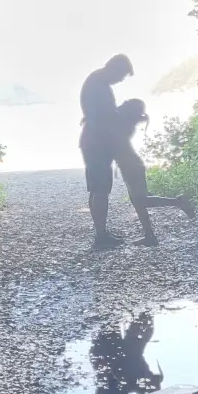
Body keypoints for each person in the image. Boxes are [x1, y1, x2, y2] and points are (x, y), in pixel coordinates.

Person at [111, 98, 194, 246]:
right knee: (138, 201)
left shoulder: (121, 122)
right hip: (130, 165)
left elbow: (111, 117)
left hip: (130, 166)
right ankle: (150, 235)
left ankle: (178, 202)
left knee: (140, 200)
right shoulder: (126, 122)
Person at [78, 54, 134, 250]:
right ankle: (100, 236)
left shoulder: (97, 82)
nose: (120, 80)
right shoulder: (98, 85)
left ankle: (101, 232)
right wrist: (122, 115)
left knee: (97, 188)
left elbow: (99, 114)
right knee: (101, 189)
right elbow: (101, 117)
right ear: (114, 68)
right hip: (96, 144)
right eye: (121, 75)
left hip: (93, 142)